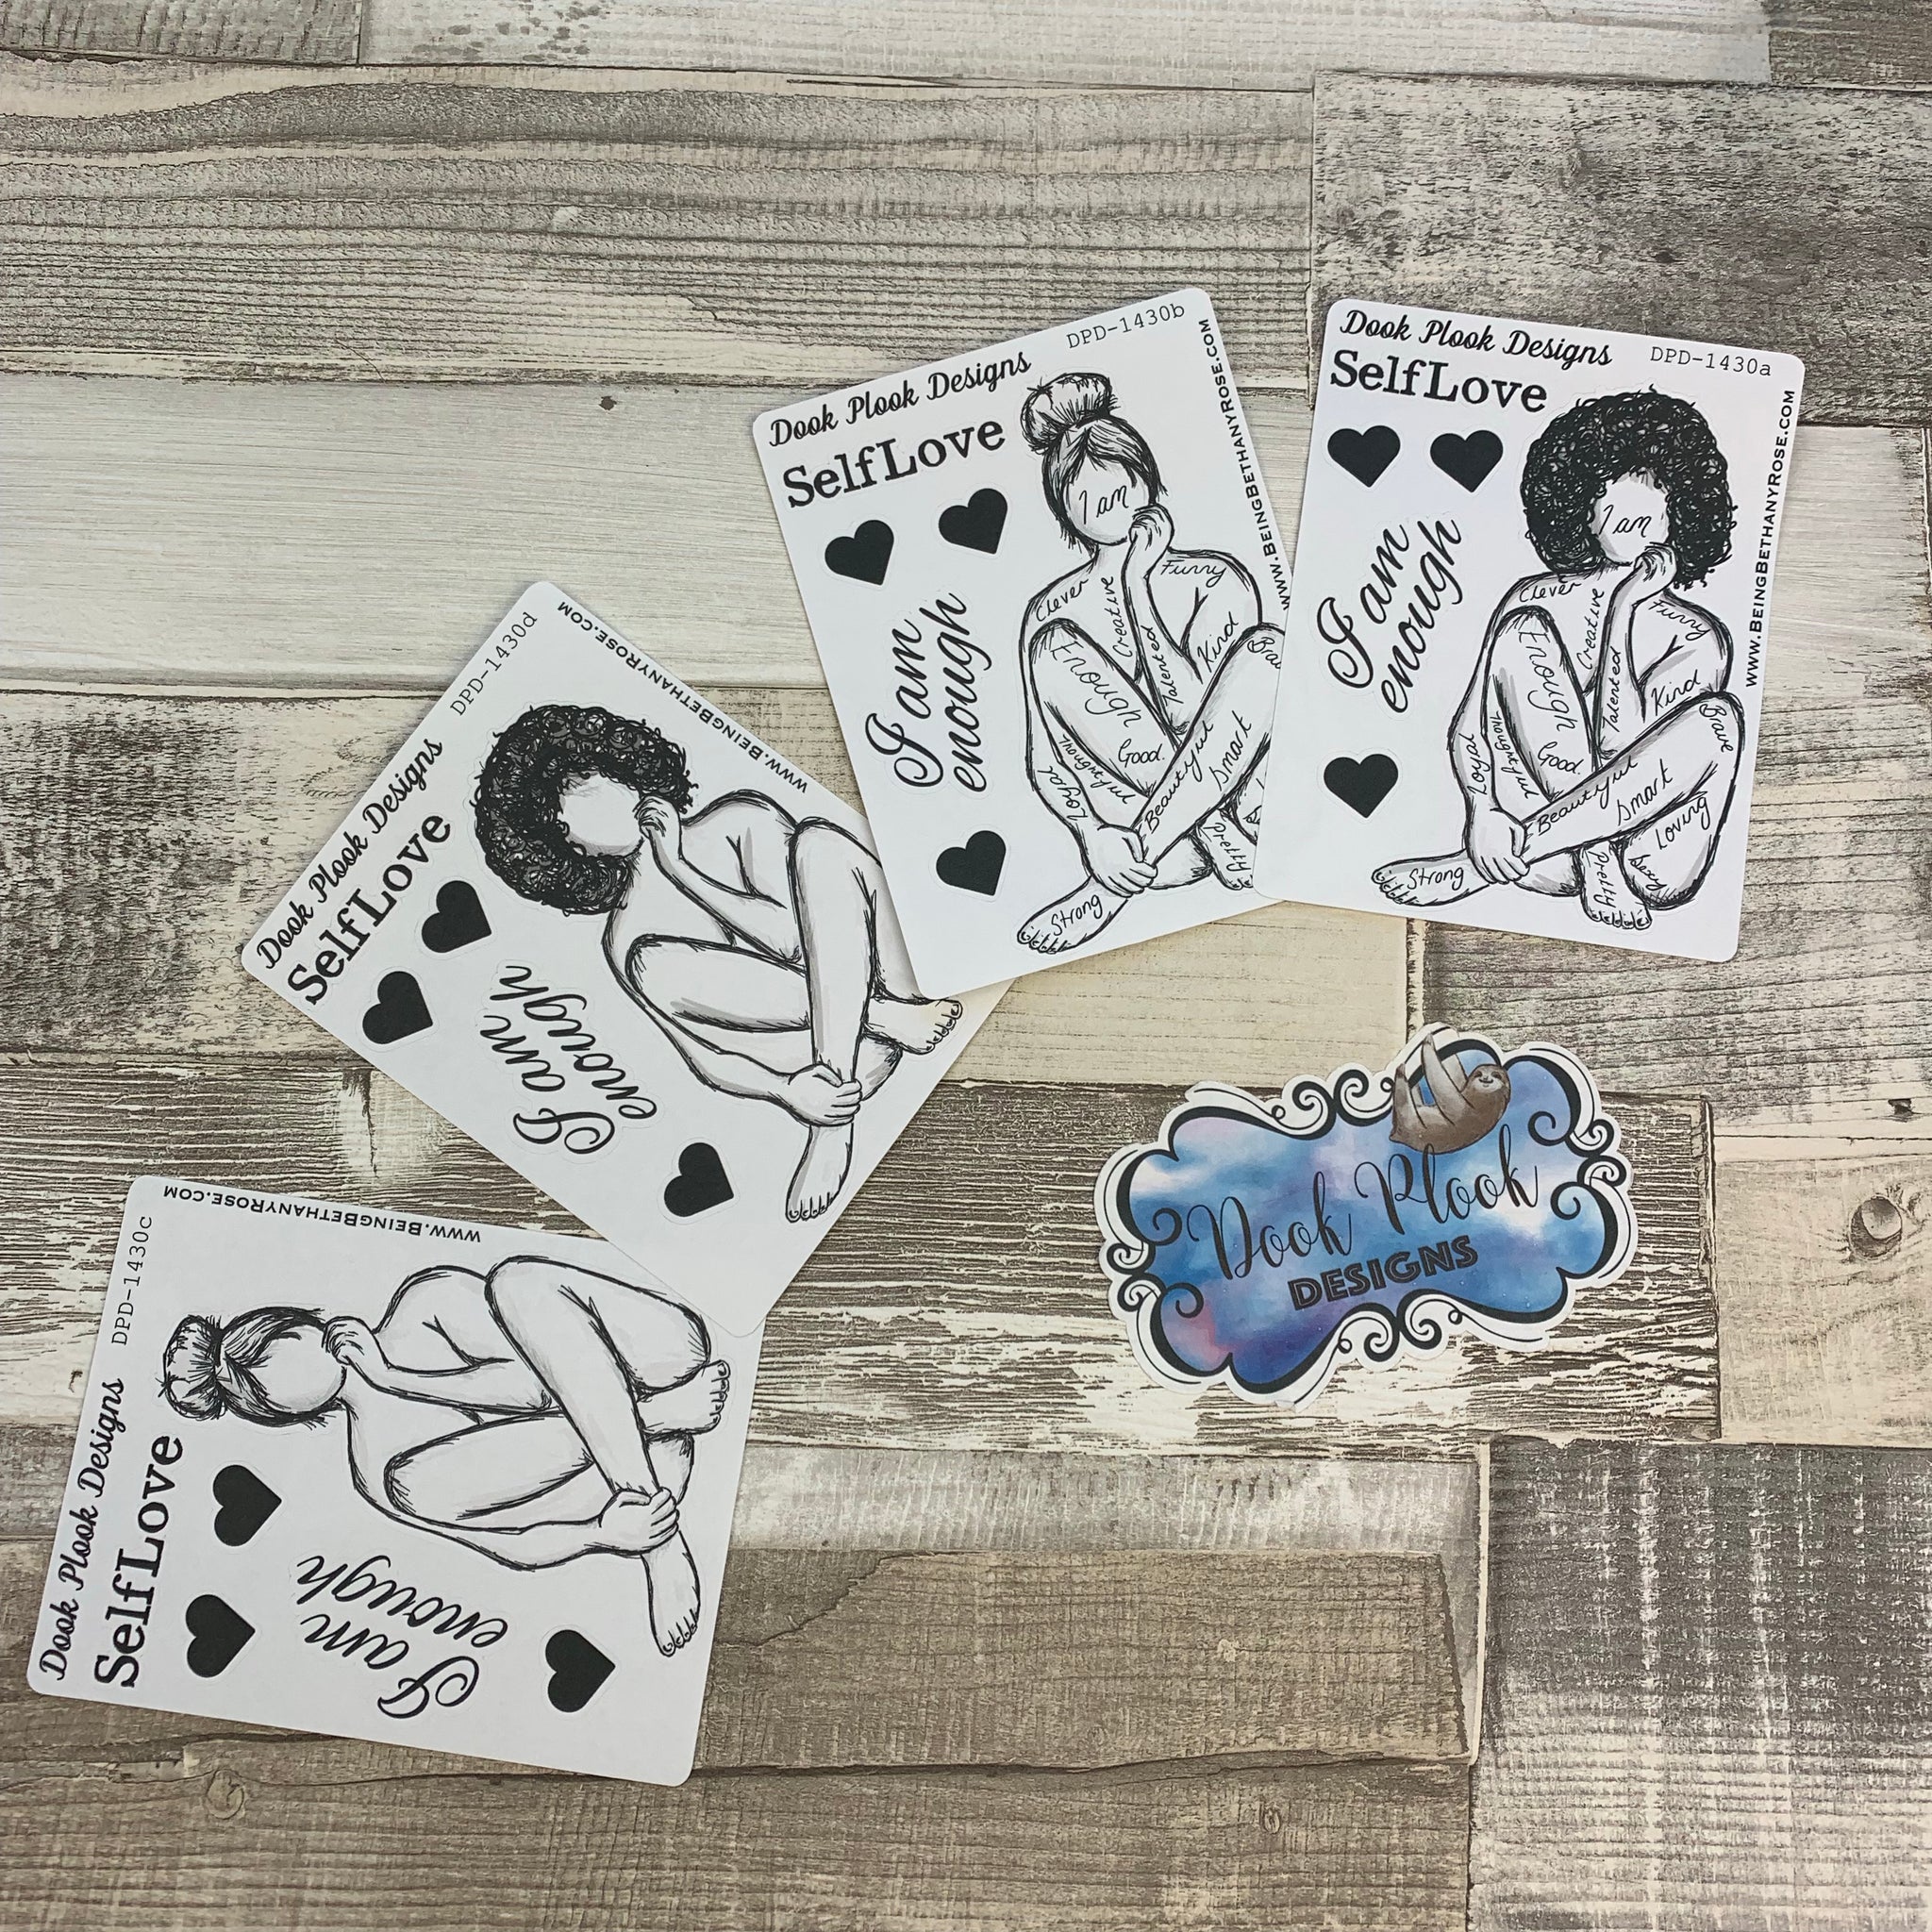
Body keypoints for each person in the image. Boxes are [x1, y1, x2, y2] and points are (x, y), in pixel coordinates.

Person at [475, 704, 962, 1223]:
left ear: (615, 765)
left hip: (884, 984)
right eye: (563, 820)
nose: (587, 809)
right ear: (567, 846)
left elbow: (796, 940)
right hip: (827, 1070)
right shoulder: (625, 937)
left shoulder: (739, 820)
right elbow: (705, 1056)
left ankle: (833, 1129)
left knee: (819, 843)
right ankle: (859, 1059)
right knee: (650, 963)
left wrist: (683, 871)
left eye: (583, 782)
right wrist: (786, 1092)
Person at [161, 1257, 731, 1656]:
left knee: (517, 1283)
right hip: (637, 1490)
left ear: (304, 1322)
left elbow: (540, 1383)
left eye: (277, 1344)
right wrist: (601, 1535)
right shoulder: (375, 1470)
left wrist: (397, 1377)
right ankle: (656, 1526)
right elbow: (508, 1543)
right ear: (286, 1413)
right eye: (266, 1389)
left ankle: (659, 1513)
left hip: (658, 1361)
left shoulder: (424, 1304)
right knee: (408, 1483)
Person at [1373, 391, 1743, 931]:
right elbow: (1472, 726)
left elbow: (1628, 755)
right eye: (1615, 509)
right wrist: (1482, 811)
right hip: (1542, 853)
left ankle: (1477, 872)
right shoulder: (1534, 598)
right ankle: (1588, 859)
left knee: (1718, 719)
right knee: (1523, 630)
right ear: (1582, 507)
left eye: (1649, 513)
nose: (1632, 526)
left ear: (1678, 518)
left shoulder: (1696, 636)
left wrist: (1622, 613)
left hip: (1648, 858)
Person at [1014, 372, 1284, 954]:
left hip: (1236, 812)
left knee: (1268, 650)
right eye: (1089, 499)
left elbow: (1205, 723)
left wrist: (1137, 592)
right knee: (1053, 646)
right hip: (1144, 844)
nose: (1110, 508)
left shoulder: (1214, 579)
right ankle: (1197, 831)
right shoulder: (1050, 609)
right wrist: (1091, 835)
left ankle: (1103, 899)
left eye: (1121, 490)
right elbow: (1046, 758)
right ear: (1063, 509)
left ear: (1147, 482)